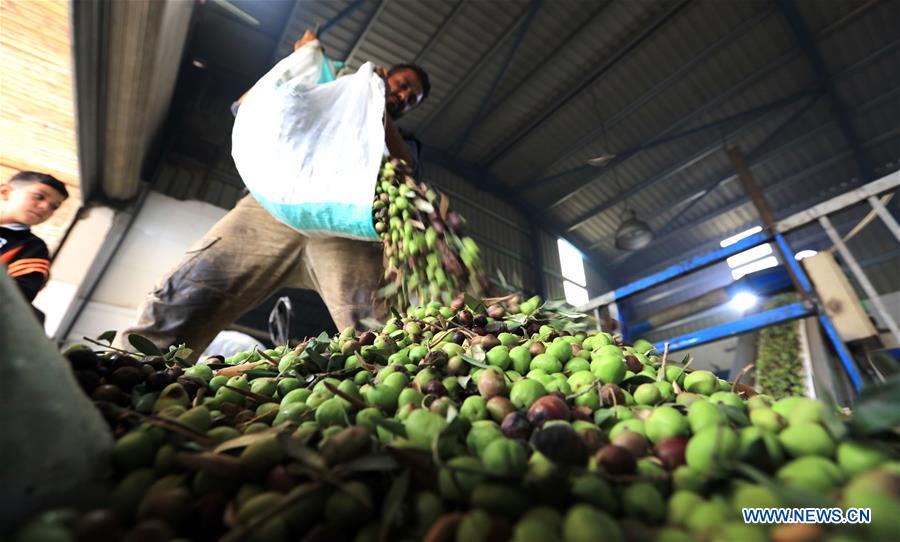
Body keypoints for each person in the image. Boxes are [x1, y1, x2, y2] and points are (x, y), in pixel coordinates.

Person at [115, 32, 430, 356]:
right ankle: (130, 365)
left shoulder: (404, 138)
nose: (404, 95)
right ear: (385, 73)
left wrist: (374, 105)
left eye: (412, 99)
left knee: (380, 335)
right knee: (187, 292)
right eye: (403, 84)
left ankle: (394, 399)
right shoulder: (329, 89)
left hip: (347, 229)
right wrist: (299, 61)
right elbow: (248, 105)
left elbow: (406, 169)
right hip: (270, 213)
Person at [1, 172, 69, 317]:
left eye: (54, 207)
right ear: (6, 192)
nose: (45, 207)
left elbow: (19, 296)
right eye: (39, 196)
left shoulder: (33, 248)